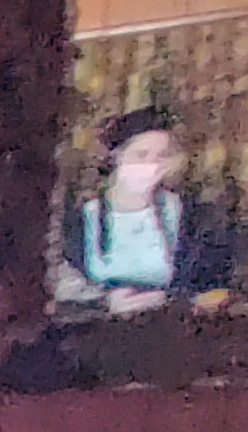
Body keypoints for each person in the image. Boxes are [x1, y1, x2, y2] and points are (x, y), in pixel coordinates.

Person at [55, 110, 233, 310]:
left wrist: (171, 300)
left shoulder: (191, 217)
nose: (152, 164)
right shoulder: (81, 218)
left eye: (163, 156)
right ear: (117, 157)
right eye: (141, 155)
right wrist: (103, 302)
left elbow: (209, 284)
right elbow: (62, 287)